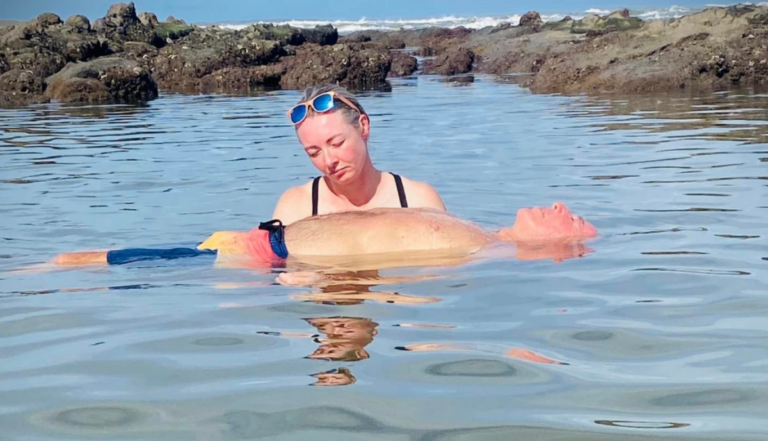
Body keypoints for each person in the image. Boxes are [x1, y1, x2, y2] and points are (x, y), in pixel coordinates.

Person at [51, 201, 597, 268]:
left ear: (555, 250)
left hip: (264, 262)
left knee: (91, 263)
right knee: (92, 259)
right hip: (260, 245)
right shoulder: (474, 229)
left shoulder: (481, 252)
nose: (558, 205)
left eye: (568, 218)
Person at [273, 85, 446, 225]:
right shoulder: (296, 208)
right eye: (314, 152)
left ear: (364, 126)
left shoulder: (417, 201)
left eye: (337, 144)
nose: (328, 161)